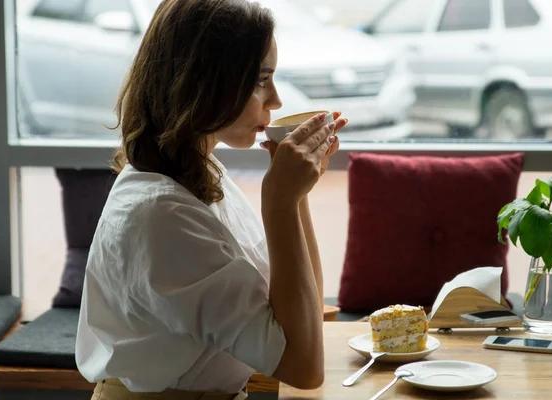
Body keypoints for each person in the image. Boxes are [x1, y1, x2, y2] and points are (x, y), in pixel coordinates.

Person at [75, 0, 348, 399]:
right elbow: (303, 367)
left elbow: (302, 318)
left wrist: (296, 195)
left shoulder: (201, 173)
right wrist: (281, 202)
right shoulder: (161, 216)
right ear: (204, 81)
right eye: (259, 80)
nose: (275, 100)